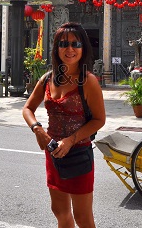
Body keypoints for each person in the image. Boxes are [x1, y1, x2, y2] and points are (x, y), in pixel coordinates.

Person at [22, 22, 105, 228]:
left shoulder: (88, 81)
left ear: (83, 48)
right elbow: (27, 109)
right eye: (64, 44)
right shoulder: (47, 79)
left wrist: (70, 140)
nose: (69, 49)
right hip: (53, 154)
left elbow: (99, 120)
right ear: (56, 49)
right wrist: (37, 129)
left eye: (75, 44)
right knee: (59, 211)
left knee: (83, 217)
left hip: (78, 155)